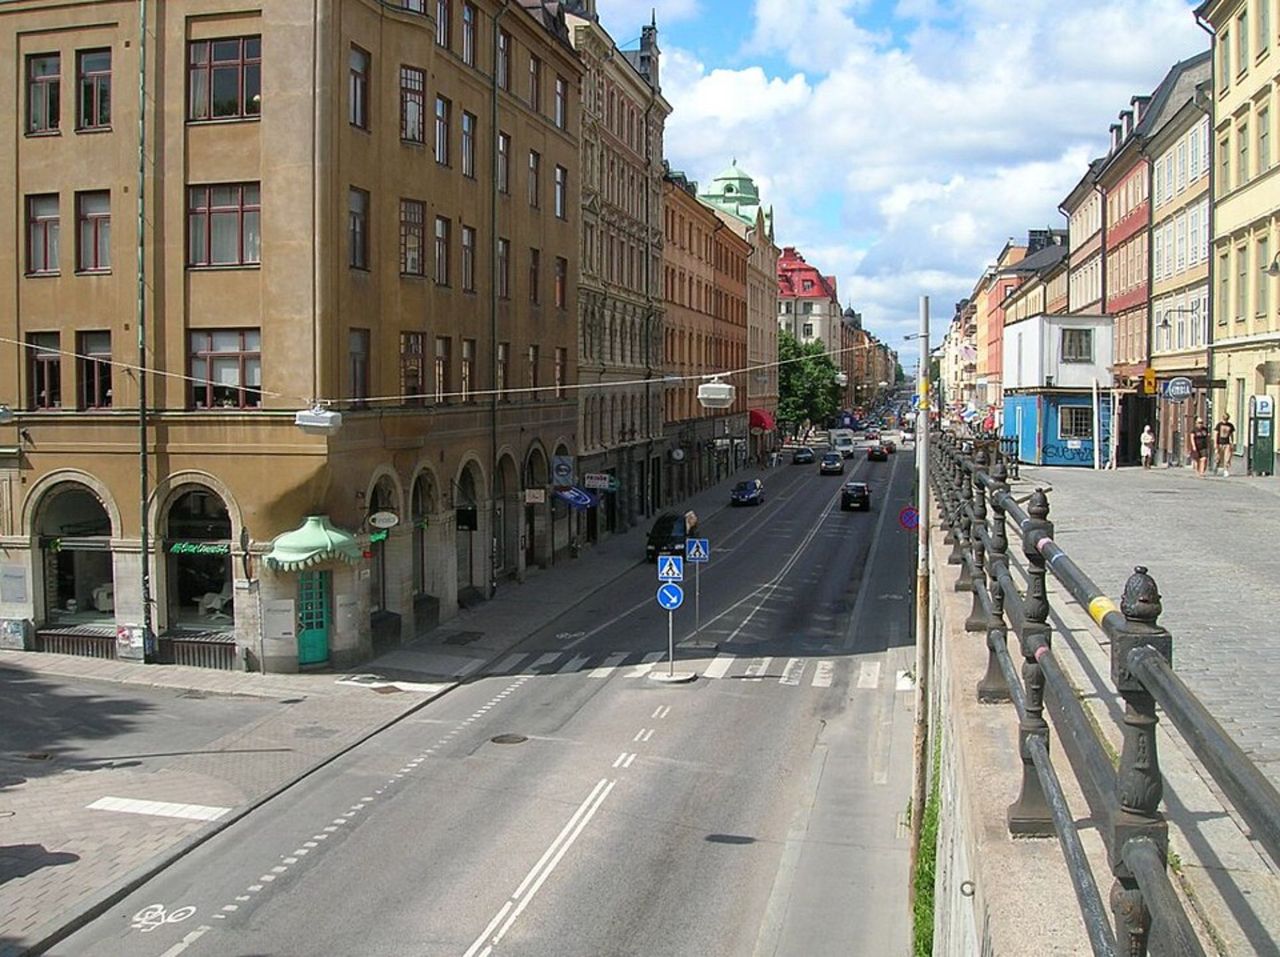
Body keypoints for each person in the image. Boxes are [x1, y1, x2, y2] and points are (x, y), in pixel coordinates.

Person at [1215, 412, 1236, 477]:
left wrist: (1232, 442)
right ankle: (1217, 465)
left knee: (1227, 457)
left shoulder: (1230, 425)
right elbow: (1216, 434)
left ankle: (1226, 470)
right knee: (1218, 457)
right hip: (1220, 443)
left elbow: (1231, 434)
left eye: (1227, 418)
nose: (1225, 420)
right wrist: (1216, 443)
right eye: (1224, 418)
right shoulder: (1219, 425)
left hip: (1227, 443)